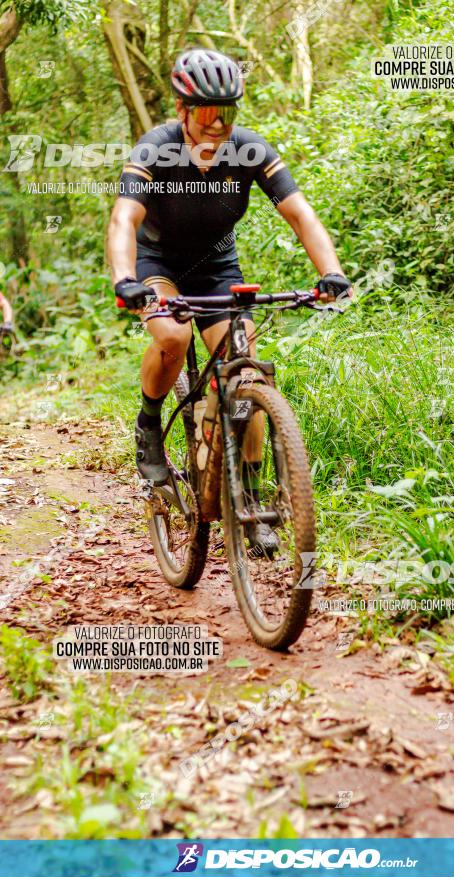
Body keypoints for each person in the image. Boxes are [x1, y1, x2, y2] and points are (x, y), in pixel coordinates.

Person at [107, 48, 351, 552]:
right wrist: (124, 279)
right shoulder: (156, 149)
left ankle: (254, 501)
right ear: (182, 111)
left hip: (217, 269)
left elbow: (301, 214)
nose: (218, 124)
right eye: (206, 112)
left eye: (229, 112)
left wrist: (332, 272)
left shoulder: (250, 150)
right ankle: (149, 424)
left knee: (248, 375)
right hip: (158, 268)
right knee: (172, 335)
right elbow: (124, 219)